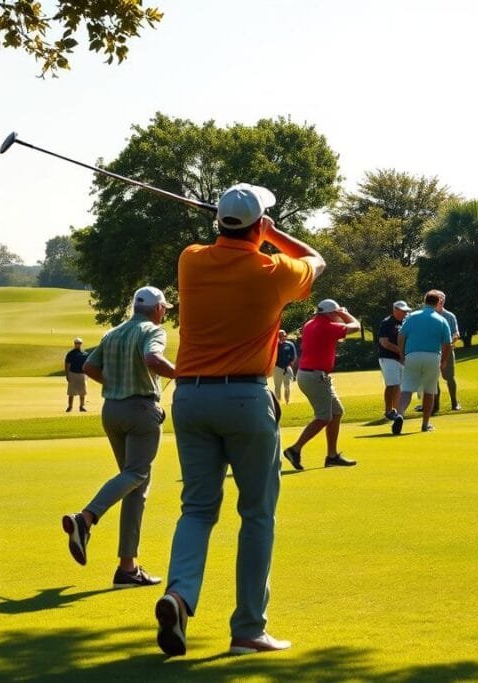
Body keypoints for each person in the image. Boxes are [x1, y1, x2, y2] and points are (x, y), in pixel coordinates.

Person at [157, 183, 324, 658]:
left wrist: (246, 229)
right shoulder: (273, 270)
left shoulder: (191, 258)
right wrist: (274, 236)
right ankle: (248, 628)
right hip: (246, 400)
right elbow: (316, 258)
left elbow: (223, 240)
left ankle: (180, 594)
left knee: (197, 508)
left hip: (189, 397)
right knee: (256, 513)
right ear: (259, 224)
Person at [61, 286, 176, 589]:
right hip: (141, 410)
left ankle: (128, 569)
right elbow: (153, 359)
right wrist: (183, 375)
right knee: (137, 474)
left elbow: (89, 366)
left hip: (112, 410)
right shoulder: (152, 330)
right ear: (157, 309)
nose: (164, 312)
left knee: (134, 485)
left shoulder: (113, 333)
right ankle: (85, 518)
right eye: (164, 308)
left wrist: (114, 385)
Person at [283, 299, 360, 470]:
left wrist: (336, 313)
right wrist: (344, 313)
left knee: (337, 412)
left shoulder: (311, 323)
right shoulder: (326, 326)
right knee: (324, 417)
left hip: (312, 375)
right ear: (330, 314)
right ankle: (294, 450)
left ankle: (332, 456)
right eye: (335, 313)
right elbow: (356, 326)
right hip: (315, 376)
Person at [391, 290, 451, 435]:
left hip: (412, 355)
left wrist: (402, 353)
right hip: (432, 356)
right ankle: (425, 424)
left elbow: (401, 336)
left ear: (424, 301)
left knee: (406, 389)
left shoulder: (412, 317)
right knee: (429, 391)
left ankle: (399, 414)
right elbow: (447, 344)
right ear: (437, 303)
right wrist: (443, 361)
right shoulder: (442, 320)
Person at [376, 300, 412, 419]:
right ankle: (388, 411)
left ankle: (396, 411)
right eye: (403, 311)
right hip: (388, 358)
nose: (405, 313)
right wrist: (400, 351)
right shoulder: (387, 322)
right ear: (395, 310)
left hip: (401, 359)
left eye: (406, 311)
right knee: (392, 384)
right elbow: (384, 342)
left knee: (399, 386)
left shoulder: (406, 322)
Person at [431, 291, 461, 412]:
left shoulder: (449, 316)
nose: (441, 300)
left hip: (447, 351)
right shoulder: (428, 316)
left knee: (450, 377)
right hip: (432, 352)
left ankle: (454, 403)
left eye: (443, 298)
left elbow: (456, 334)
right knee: (433, 379)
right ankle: (435, 405)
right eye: (439, 298)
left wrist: (448, 344)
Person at [272, 330, 298, 405]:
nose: (282, 337)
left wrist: (290, 364)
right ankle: (278, 402)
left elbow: (294, 356)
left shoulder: (290, 344)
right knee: (277, 386)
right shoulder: (274, 345)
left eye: (283, 335)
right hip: (277, 368)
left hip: (287, 367)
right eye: (280, 336)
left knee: (287, 386)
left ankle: (287, 401)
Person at [64, 336, 89, 412]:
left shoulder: (85, 354)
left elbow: (87, 365)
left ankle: (82, 406)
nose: (78, 344)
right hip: (73, 373)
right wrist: (67, 375)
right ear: (74, 344)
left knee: (82, 392)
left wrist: (87, 374)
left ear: (81, 344)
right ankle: (70, 407)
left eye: (79, 343)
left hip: (82, 374)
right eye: (76, 343)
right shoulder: (70, 354)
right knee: (71, 392)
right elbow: (67, 365)